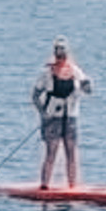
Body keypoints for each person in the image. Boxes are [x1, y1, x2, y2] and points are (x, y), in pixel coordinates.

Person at [32, 37, 93, 189]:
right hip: (53, 117)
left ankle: (72, 186)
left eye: (63, 54)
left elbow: (88, 90)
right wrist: (43, 113)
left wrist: (87, 85)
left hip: (70, 116)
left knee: (71, 151)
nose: (61, 58)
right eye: (58, 55)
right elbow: (35, 95)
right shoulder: (46, 73)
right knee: (51, 151)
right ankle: (44, 185)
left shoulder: (75, 71)